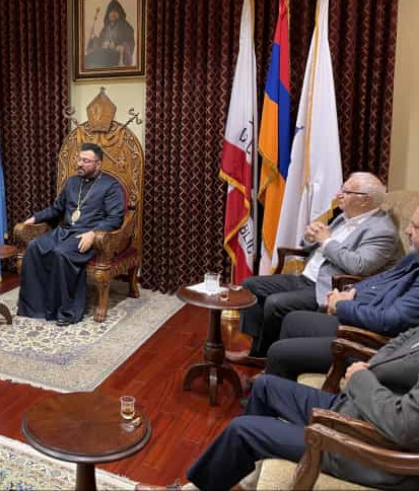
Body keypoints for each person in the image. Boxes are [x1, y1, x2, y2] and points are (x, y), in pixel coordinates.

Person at [175, 326, 419, 491]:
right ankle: (245, 478)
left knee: (242, 430)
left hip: (368, 448)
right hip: (357, 408)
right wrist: (370, 367)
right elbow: (404, 337)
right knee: (265, 386)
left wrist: (360, 378)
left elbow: (404, 425)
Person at [233, 172, 400, 362]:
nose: (338, 195)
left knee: (275, 303)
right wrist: (310, 237)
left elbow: (359, 266)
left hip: (327, 287)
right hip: (305, 278)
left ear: (365, 200)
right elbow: (313, 245)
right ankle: (256, 347)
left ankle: (268, 355)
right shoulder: (345, 217)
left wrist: (326, 241)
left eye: (346, 192)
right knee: (250, 286)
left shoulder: (382, 231)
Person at [265, 204, 419, 380]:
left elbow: (388, 321)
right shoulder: (414, 256)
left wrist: (341, 305)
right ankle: (280, 382)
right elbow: (380, 279)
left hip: (374, 344)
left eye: (415, 227)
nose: (407, 230)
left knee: (278, 352)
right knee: (293, 320)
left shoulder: (384, 231)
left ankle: (276, 389)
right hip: (363, 320)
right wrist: (351, 292)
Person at [18, 143, 124, 326]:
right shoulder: (72, 182)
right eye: (79, 159)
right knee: (34, 247)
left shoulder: (111, 186)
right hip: (65, 231)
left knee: (62, 253)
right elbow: (56, 208)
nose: (80, 164)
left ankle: (66, 312)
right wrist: (35, 218)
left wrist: (93, 234)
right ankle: (36, 307)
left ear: (98, 164)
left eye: (86, 161)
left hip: (87, 236)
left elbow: (115, 218)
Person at [85, 0, 136, 69]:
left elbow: (130, 41)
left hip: (116, 54)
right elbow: (100, 41)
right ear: (108, 14)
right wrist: (94, 37)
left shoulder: (126, 26)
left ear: (119, 13)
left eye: (115, 11)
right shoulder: (105, 28)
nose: (113, 14)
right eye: (111, 12)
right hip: (104, 53)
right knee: (88, 58)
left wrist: (123, 46)